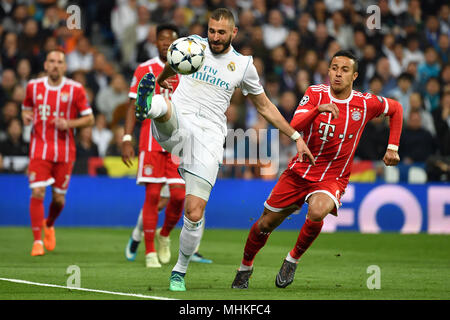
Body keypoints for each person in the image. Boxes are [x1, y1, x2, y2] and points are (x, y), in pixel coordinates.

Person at [134, 8, 314, 291]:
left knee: (194, 212)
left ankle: (179, 271)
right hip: (180, 121)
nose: (215, 38)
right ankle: (149, 105)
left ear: (234, 33)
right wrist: (160, 80)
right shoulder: (192, 45)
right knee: (165, 107)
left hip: (208, 137)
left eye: (221, 32)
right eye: (212, 31)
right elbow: (174, 61)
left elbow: (264, 105)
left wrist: (294, 135)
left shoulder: (243, 66)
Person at [231, 50, 403, 289]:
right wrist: (317, 110)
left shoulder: (364, 103)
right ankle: (245, 267)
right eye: (334, 68)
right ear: (328, 70)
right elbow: (294, 126)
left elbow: (396, 109)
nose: (337, 74)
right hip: (300, 170)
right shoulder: (314, 93)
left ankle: (292, 259)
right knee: (265, 224)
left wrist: (392, 147)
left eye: (344, 70)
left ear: (354, 76)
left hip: (333, 177)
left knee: (318, 211)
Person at [121, 24, 211, 268]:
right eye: (161, 39)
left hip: (180, 143)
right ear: (155, 42)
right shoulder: (144, 69)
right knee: (151, 196)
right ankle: (149, 251)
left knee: (179, 197)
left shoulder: (190, 70)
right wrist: (127, 138)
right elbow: (132, 106)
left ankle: (163, 235)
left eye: (170, 40)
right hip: (150, 142)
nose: (164, 43)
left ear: (177, 45)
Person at [21, 49, 94, 256]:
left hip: (64, 152)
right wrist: (26, 116)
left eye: (59, 62)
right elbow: (26, 107)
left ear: (64, 66)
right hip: (39, 149)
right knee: (37, 192)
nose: (55, 65)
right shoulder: (33, 87)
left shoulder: (75, 89)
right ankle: (37, 242)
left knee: (59, 200)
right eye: (51, 61)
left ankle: (49, 223)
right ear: (45, 65)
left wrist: (69, 123)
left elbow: (89, 119)